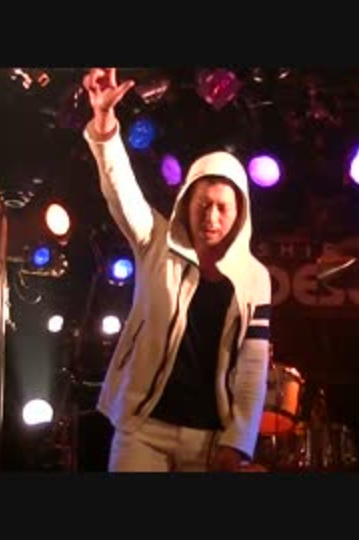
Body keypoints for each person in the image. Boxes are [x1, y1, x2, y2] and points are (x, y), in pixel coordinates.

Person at [80, 67, 273, 472]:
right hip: (142, 429)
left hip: (209, 439)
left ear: (240, 213)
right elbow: (120, 188)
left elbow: (253, 364)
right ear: (186, 202)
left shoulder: (255, 277)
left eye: (222, 207)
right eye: (203, 204)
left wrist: (239, 442)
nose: (212, 216)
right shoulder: (156, 240)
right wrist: (104, 122)